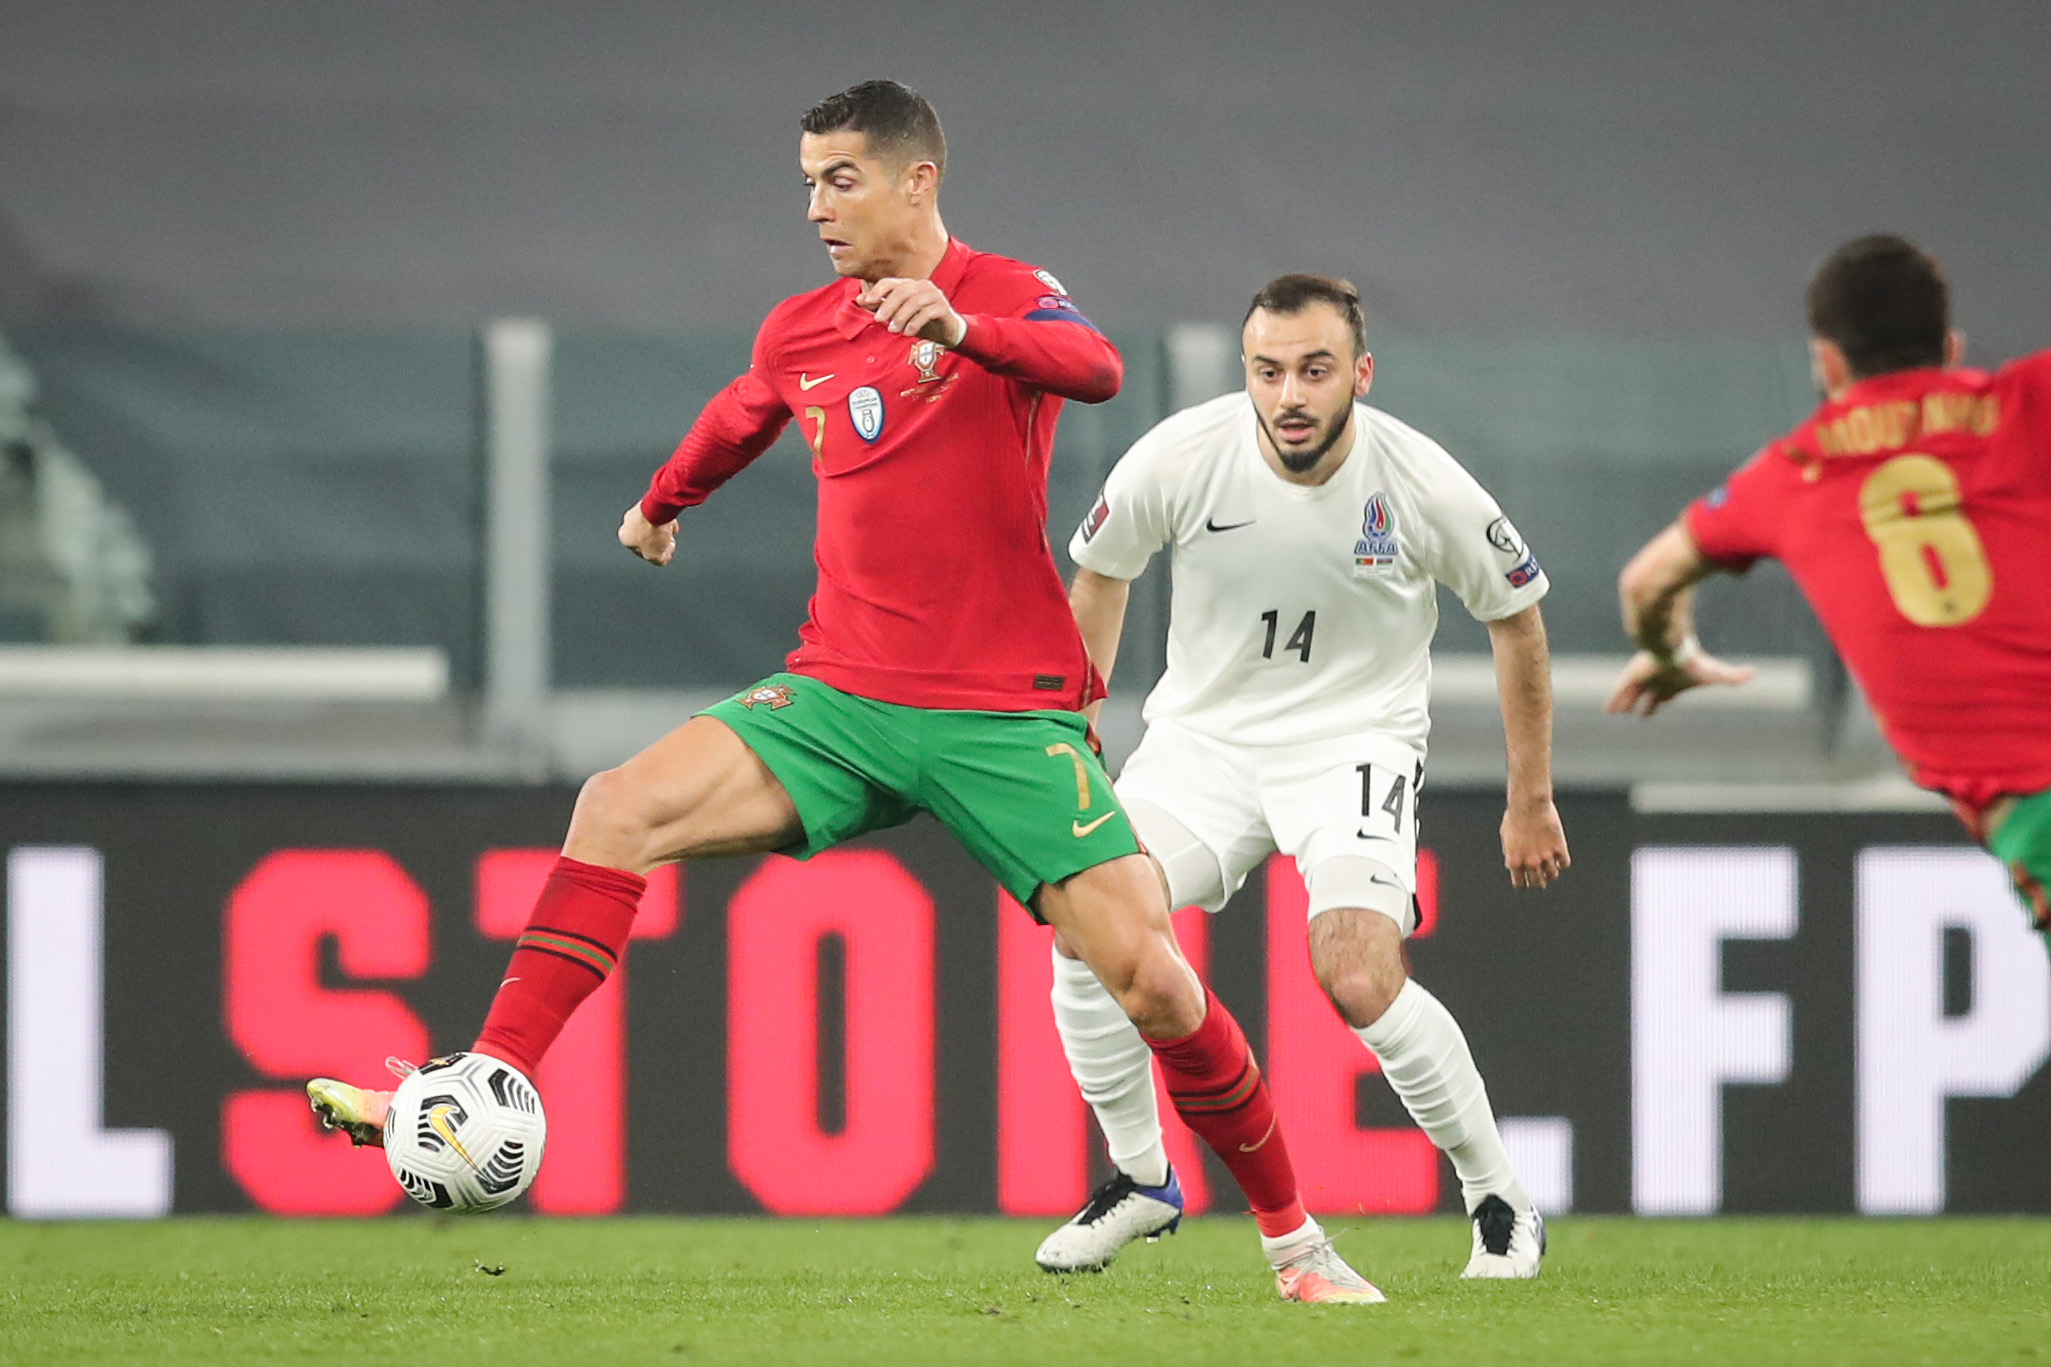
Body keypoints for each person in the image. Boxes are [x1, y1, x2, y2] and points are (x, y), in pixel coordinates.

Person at [306, 80, 1379, 1305]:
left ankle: (1297, 1243)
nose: (817, 205)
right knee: (614, 806)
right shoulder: (801, 327)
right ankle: (485, 1080)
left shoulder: (1003, 291)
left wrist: (961, 330)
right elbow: (741, 415)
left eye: (841, 179)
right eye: (809, 181)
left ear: (918, 181)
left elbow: (1093, 366)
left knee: (1150, 978)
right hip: (841, 699)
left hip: (997, 714)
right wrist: (659, 503)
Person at [1035, 273, 1564, 1280]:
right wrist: (1077, 727)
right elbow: (1100, 574)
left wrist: (1528, 796)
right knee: (1082, 916)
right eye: (1268, 371)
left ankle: (1497, 1195)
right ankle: (1141, 1177)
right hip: (1204, 745)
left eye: (1314, 370)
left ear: (1360, 374)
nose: (1288, 394)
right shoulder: (1182, 456)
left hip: (1352, 744)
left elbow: (1516, 620)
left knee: (1355, 973)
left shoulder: (1422, 484)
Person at [1609, 233, 2051, 949]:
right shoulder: (2028, 401)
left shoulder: (1791, 471)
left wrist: (1668, 655)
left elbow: (1645, 580)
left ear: (1827, 363)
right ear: (1951, 348)